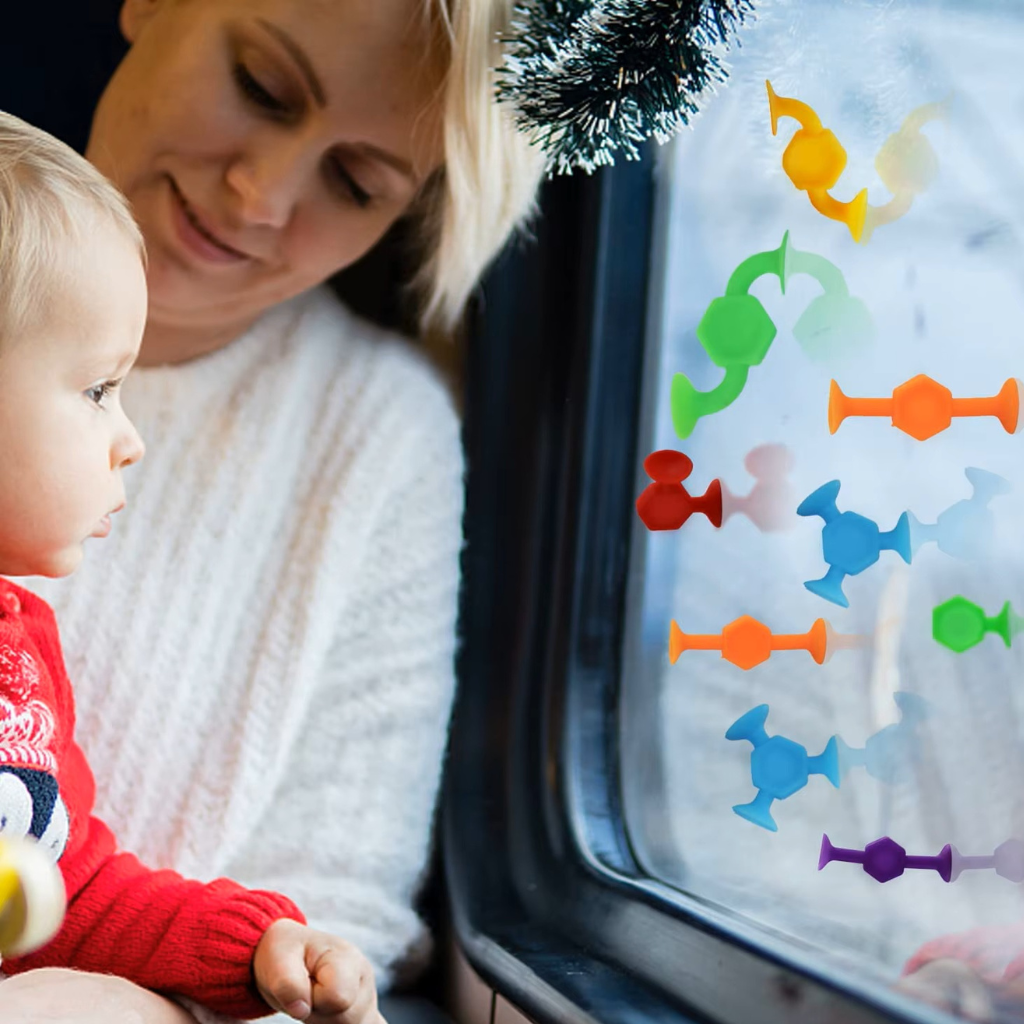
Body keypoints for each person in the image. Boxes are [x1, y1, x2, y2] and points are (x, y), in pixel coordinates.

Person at [0, 0, 545, 1021]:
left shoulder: (380, 442)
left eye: (355, 182)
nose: (259, 196)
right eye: (259, 82)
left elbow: (329, 939)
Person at [0, 110, 397, 1024]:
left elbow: (77, 894)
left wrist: (254, 947)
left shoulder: (24, 658)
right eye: (98, 390)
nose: (131, 440)